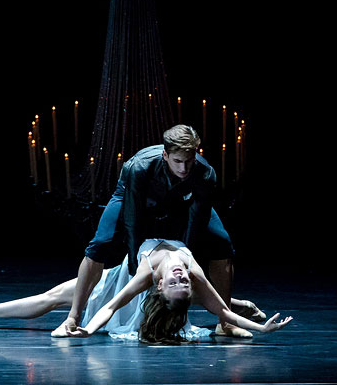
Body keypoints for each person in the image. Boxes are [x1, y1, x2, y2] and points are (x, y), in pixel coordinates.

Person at [53, 125, 257, 338]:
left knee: (222, 243)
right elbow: (132, 219)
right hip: (131, 197)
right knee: (100, 244)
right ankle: (73, 318)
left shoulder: (205, 174)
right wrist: (136, 264)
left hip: (178, 199)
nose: (184, 168)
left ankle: (225, 323)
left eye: (189, 161)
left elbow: (196, 219)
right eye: (177, 161)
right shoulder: (139, 168)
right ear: (165, 155)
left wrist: (185, 256)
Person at [0, 239, 293, 343]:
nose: (179, 277)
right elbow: (222, 310)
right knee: (55, 297)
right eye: (182, 281)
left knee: (53, 298)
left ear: (159, 286)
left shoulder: (150, 275)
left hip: (117, 281)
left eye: (177, 282)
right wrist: (254, 322)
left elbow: (112, 305)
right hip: (124, 279)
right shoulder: (192, 273)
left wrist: (87, 329)